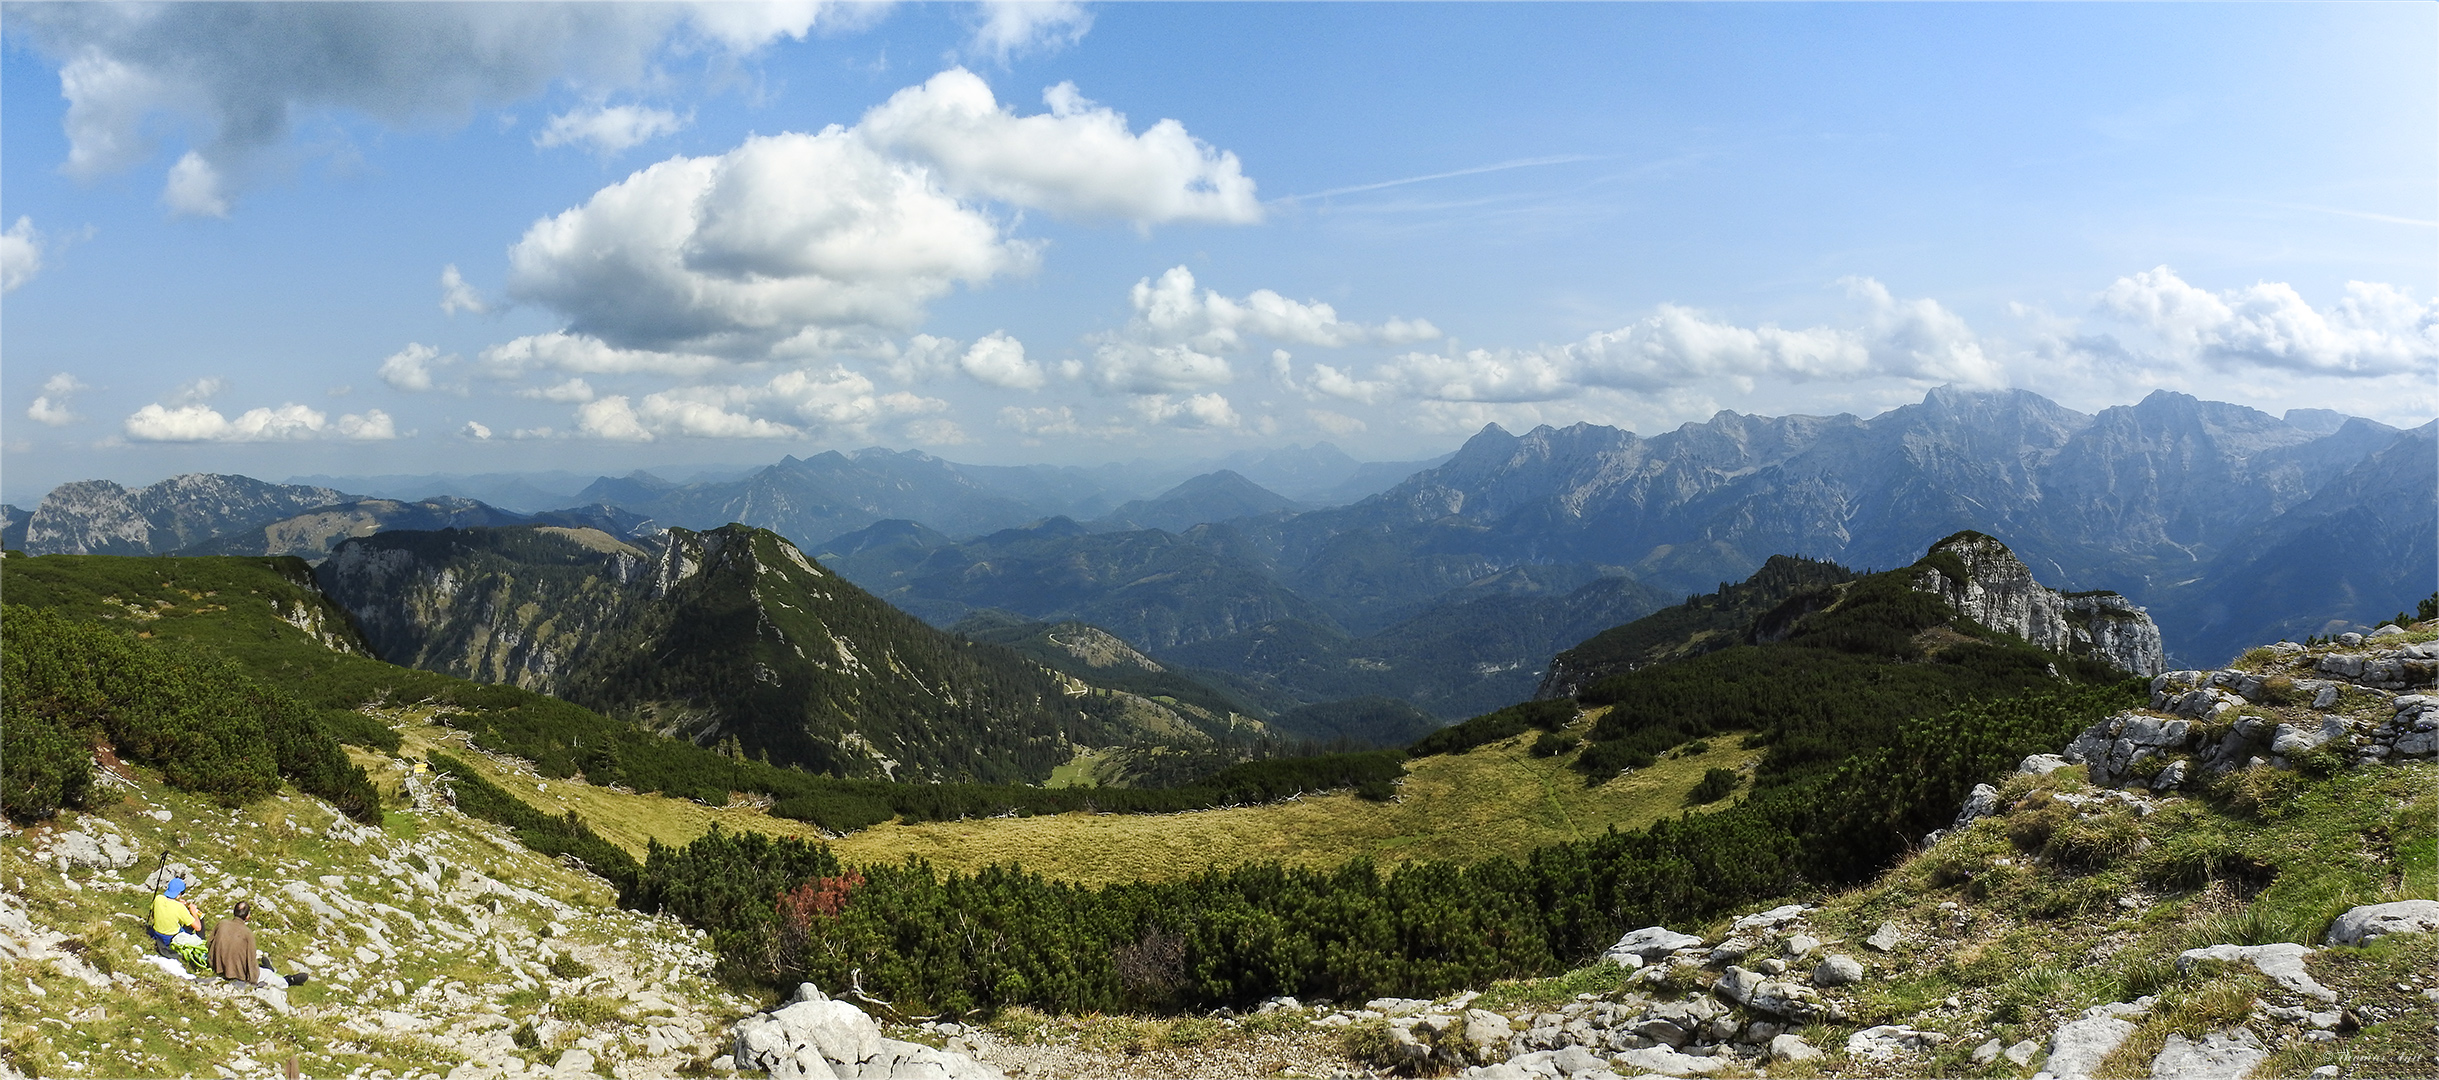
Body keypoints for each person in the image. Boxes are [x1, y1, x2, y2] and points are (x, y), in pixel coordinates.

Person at [206, 900, 308, 987]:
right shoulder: (248, 933)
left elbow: (209, 944)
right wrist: (253, 978)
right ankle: (288, 980)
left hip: (217, 967)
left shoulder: (221, 924)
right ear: (247, 917)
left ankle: (270, 969)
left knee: (265, 971)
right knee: (268, 975)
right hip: (236, 973)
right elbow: (251, 960)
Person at [149, 877, 208, 969]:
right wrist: (193, 911)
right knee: (198, 922)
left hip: (157, 933)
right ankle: (201, 941)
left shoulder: (158, 899)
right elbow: (198, 927)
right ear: (179, 893)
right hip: (171, 938)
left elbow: (153, 915)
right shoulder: (179, 907)